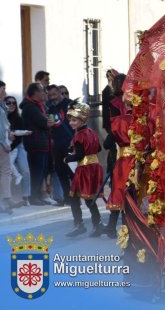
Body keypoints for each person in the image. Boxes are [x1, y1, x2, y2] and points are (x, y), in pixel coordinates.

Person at [64, 100, 104, 237]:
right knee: (90, 199)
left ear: (82, 120)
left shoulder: (79, 136)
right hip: (94, 166)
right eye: (70, 120)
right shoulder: (91, 132)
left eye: (74, 120)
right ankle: (97, 224)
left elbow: (80, 155)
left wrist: (67, 158)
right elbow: (98, 148)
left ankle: (79, 224)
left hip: (84, 169)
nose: (71, 123)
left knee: (75, 197)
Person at [103, 74, 132, 238]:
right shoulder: (139, 115)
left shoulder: (114, 107)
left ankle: (113, 225)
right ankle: (126, 226)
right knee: (129, 192)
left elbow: (108, 139)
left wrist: (114, 135)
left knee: (118, 190)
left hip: (121, 155)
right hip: (136, 156)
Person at [20, 82, 54, 206]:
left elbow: (47, 122)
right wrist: (47, 122)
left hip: (42, 142)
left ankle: (38, 195)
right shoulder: (31, 107)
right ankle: (34, 197)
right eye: (41, 90)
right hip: (35, 143)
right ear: (34, 93)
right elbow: (44, 122)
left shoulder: (40, 106)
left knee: (43, 170)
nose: (44, 93)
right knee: (37, 171)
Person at [47, 84, 75, 206]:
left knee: (72, 172)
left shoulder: (70, 105)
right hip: (57, 144)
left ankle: (76, 196)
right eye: (50, 96)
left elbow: (80, 121)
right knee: (60, 171)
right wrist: (49, 125)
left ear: (59, 93)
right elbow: (51, 126)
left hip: (70, 142)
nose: (52, 97)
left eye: (54, 94)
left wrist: (76, 138)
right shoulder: (50, 109)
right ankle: (67, 197)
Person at [5, 95, 32, 206]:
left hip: (17, 145)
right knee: (8, 172)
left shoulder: (19, 118)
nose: (11, 105)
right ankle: (8, 198)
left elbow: (19, 136)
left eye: (13, 103)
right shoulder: (2, 117)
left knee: (25, 171)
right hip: (6, 146)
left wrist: (12, 148)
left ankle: (26, 196)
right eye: (8, 103)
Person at [0, 81, 14, 213]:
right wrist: (5, 144)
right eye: (3, 89)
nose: (5, 92)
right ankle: (5, 200)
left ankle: (6, 199)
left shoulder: (2, 106)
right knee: (5, 171)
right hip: (1, 143)